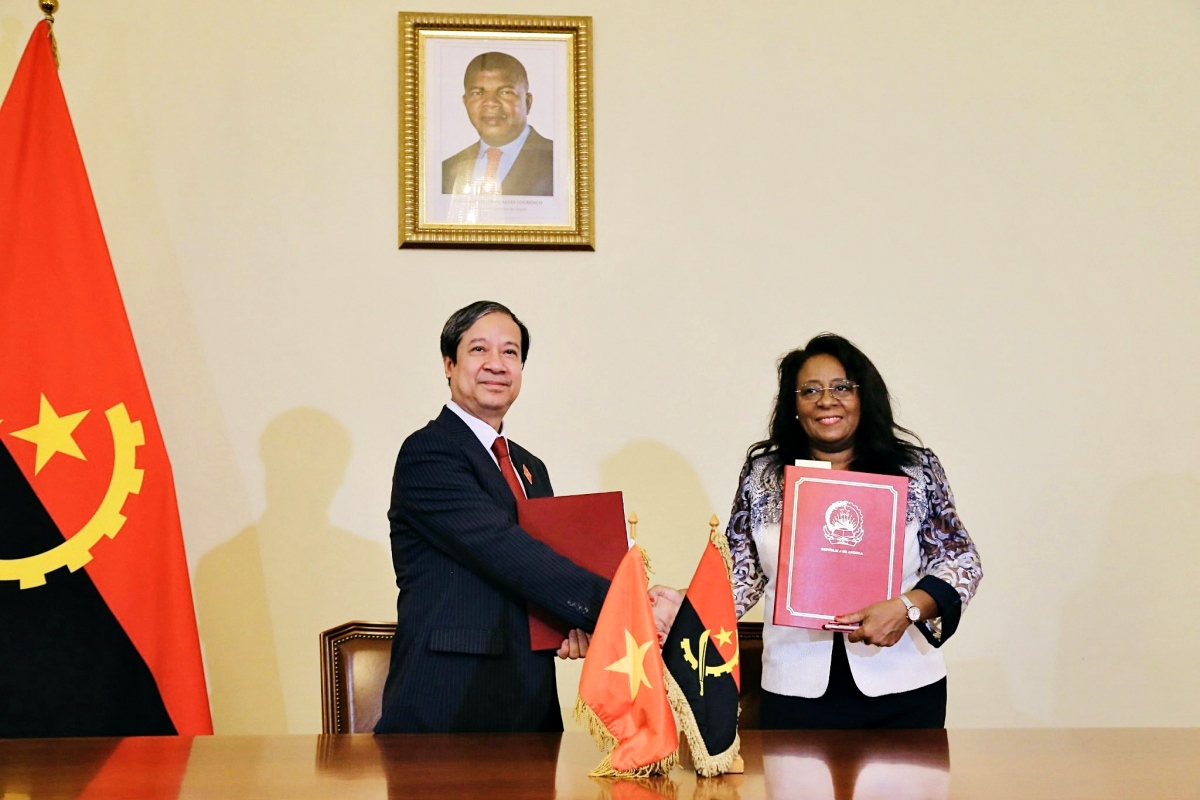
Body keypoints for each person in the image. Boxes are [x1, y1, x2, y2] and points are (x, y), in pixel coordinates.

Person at [652, 334, 982, 729]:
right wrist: (685, 607)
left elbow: (959, 559)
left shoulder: (915, 469)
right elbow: (742, 574)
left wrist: (908, 608)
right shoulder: (764, 476)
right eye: (810, 390)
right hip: (795, 686)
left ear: (865, 396)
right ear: (793, 404)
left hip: (903, 683)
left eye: (842, 387)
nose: (827, 400)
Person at [375, 301, 610, 733]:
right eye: (479, 350)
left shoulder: (529, 467)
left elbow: (542, 569)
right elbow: (506, 551)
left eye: (511, 353)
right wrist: (617, 604)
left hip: (529, 699)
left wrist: (569, 622)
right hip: (448, 702)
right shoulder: (429, 452)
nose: (496, 365)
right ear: (449, 364)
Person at [442, 52, 553, 196]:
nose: (491, 103)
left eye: (505, 92)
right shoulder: (446, 170)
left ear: (527, 102)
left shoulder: (560, 162)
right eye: (477, 93)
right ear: (466, 102)